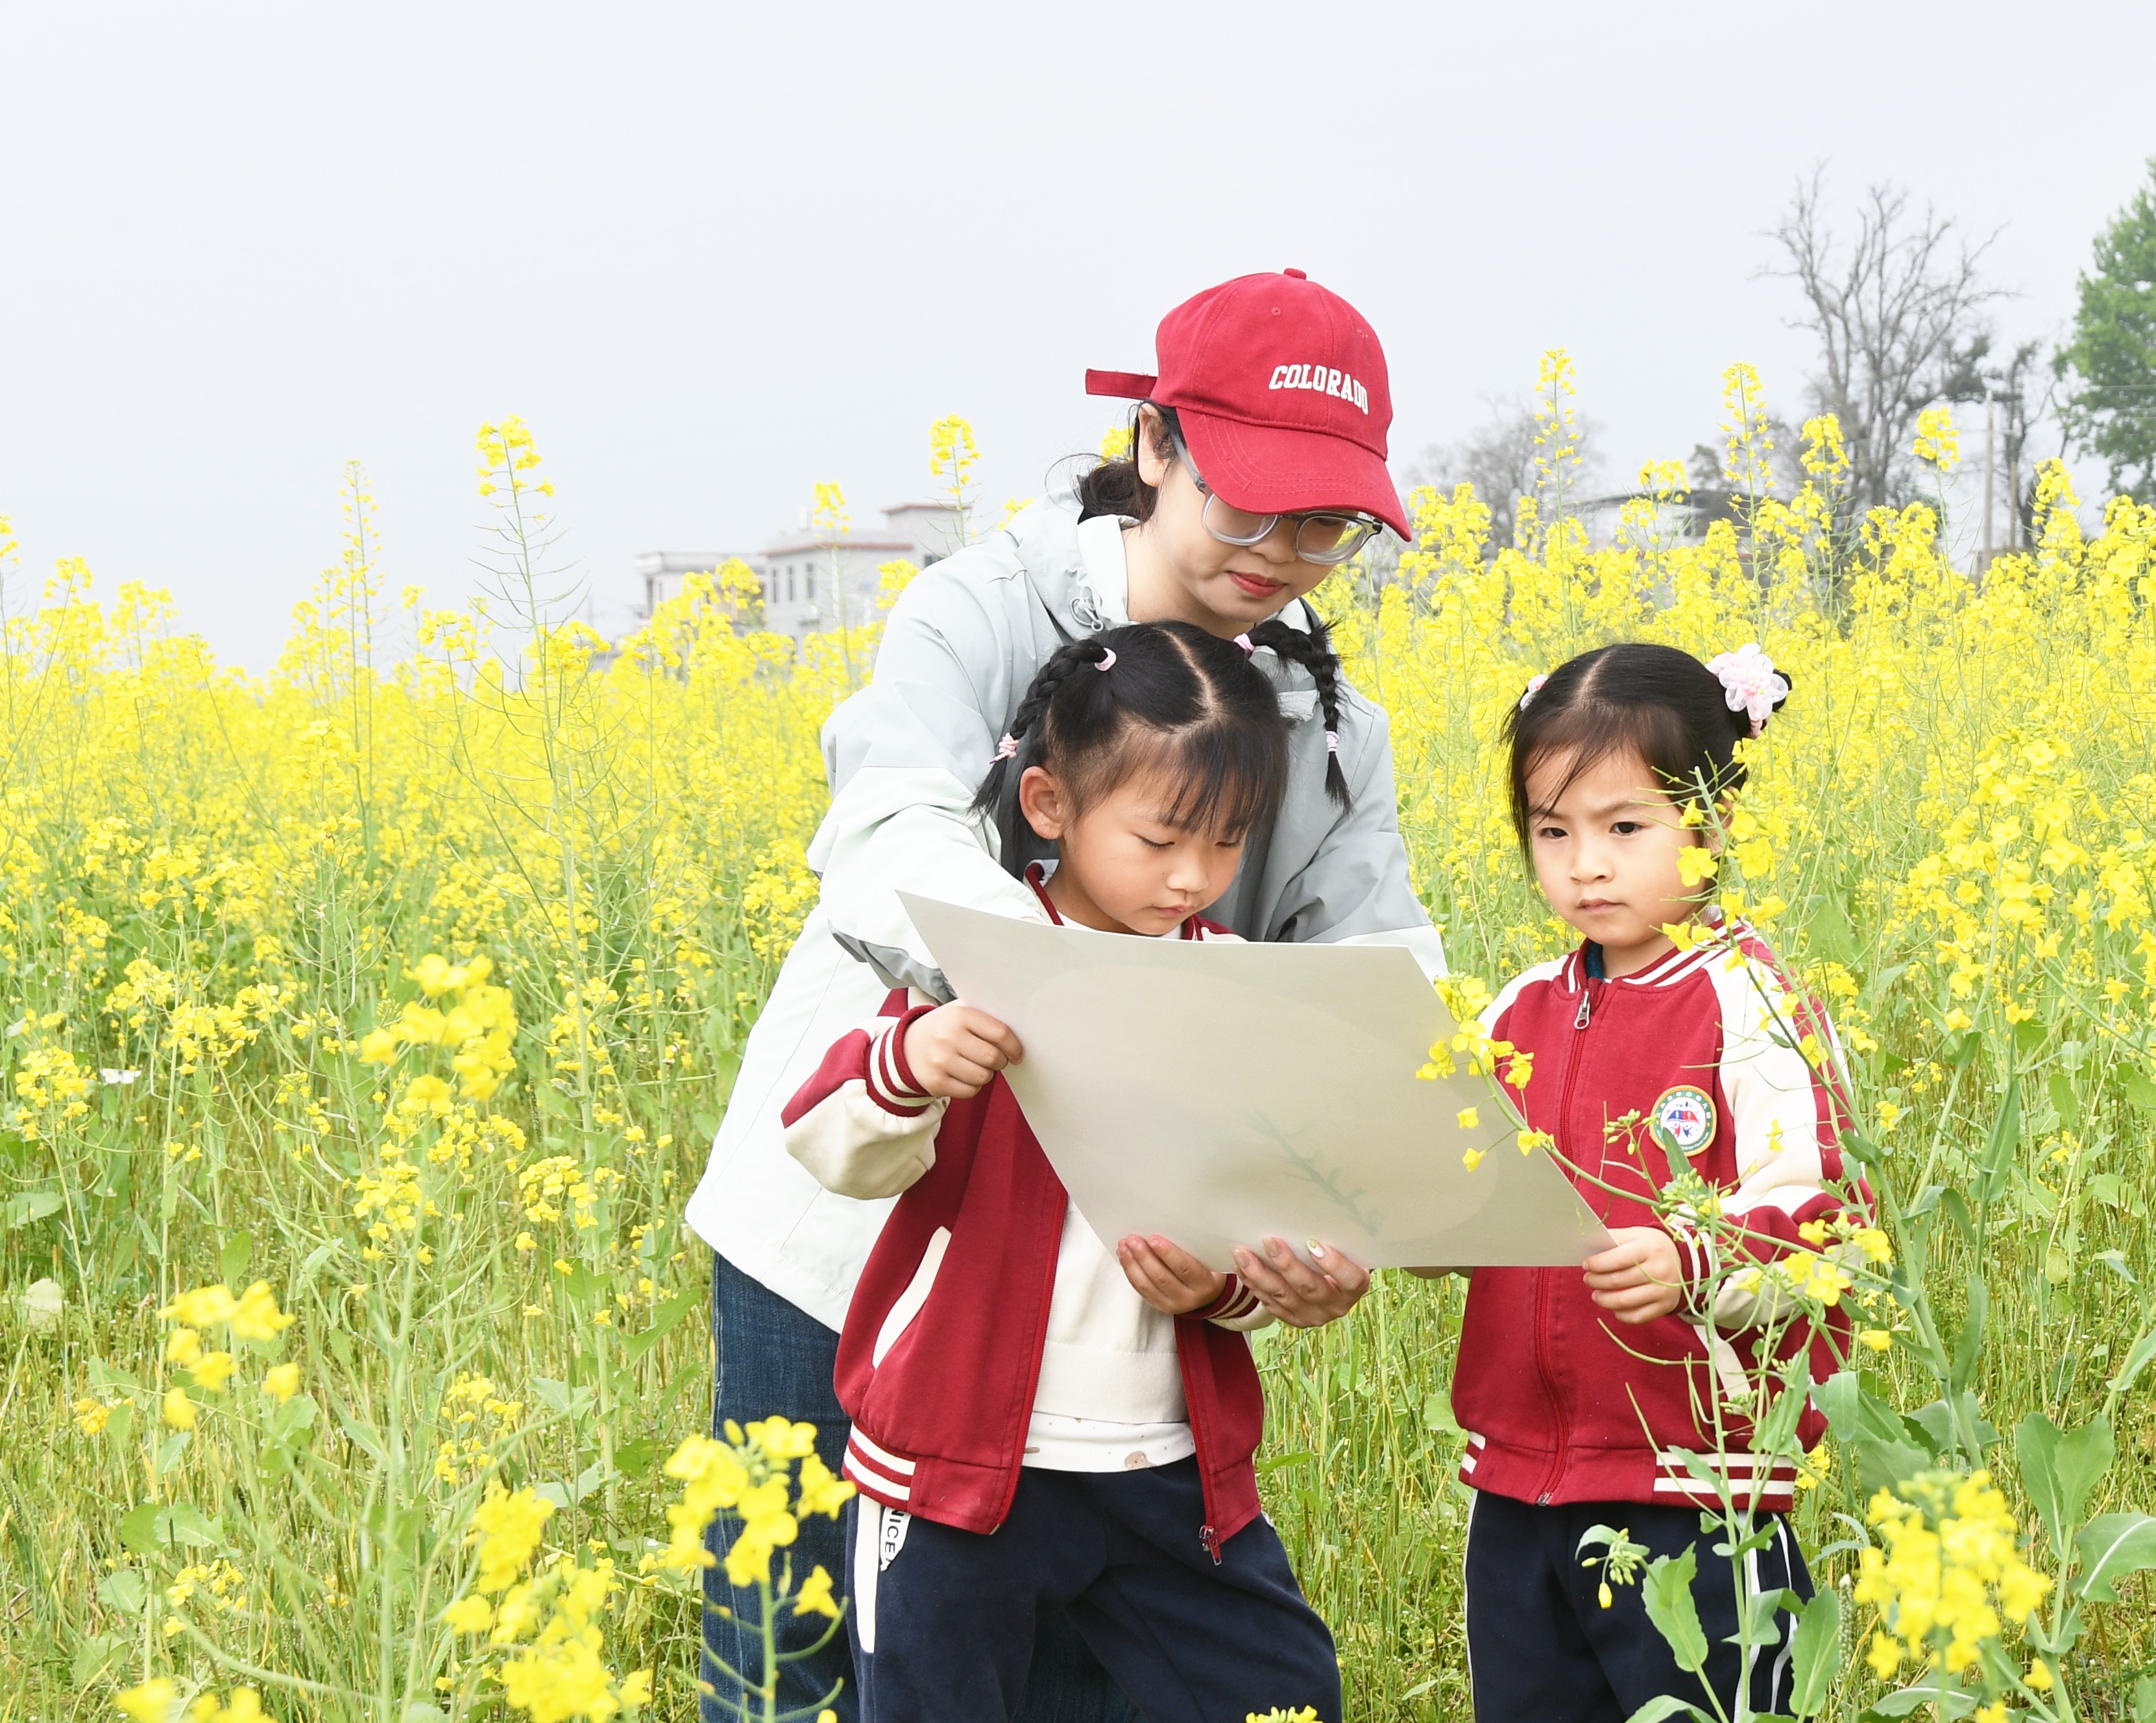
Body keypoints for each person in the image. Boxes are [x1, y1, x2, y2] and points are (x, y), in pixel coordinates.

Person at [681, 268, 1438, 1721]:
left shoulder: (1330, 720)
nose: (1284, 555)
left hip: (1092, 1323)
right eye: (1251, 505)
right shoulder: (980, 607)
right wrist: (1067, 999)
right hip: (853, 1224)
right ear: (1155, 445)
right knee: (787, 1669)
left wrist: (1347, 1212)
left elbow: (1374, 977)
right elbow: (890, 825)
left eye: (1325, 525)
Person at [781, 621, 1351, 1722]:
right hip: (951, 1463)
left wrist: (1226, 1287)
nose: (1193, 876)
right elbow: (828, 1147)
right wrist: (912, 1063)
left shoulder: (1237, 991)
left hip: (1167, 1464)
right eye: (1160, 838)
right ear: (1048, 804)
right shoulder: (978, 962)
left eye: (1228, 842)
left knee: (1283, 1693)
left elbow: (1267, 1217)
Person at [1440, 642, 1864, 1722]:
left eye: (1624, 828)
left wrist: (1693, 1261)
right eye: (1552, 832)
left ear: (1714, 824)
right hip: (1518, 1480)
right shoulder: (1516, 1008)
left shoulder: (1754, 1005)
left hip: (1697, 1489)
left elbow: (1831, 1222)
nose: (1584, 866)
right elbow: (1453, 1183)